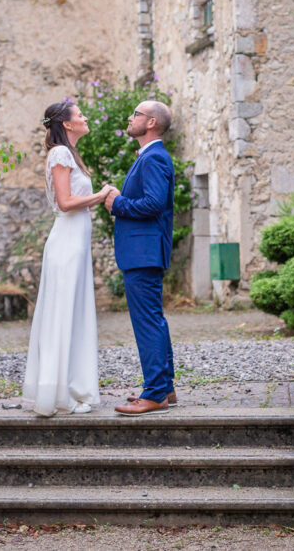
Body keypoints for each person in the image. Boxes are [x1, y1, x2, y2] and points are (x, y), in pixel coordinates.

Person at [22, 100, 115, 417]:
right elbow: (65, 202)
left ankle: (71, 388)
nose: (85, 117)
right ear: (67, 124)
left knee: (73, 315)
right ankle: (59, 392)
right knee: (63, 315)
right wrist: (100, 195)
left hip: (75, 243)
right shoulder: (60, 154)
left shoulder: (69, 154)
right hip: (66, 244)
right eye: (80, 114)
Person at [105, 100, 177, 416]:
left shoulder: (155, 158)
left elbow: (153, 204)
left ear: (150, 123)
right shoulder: (149, 156)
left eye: (135, 114)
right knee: (153, 320)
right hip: (143, 252)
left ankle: (155, 393)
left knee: (148, 322)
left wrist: (117, 203)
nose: (129, 118)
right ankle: (166, 387)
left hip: (143, 253)